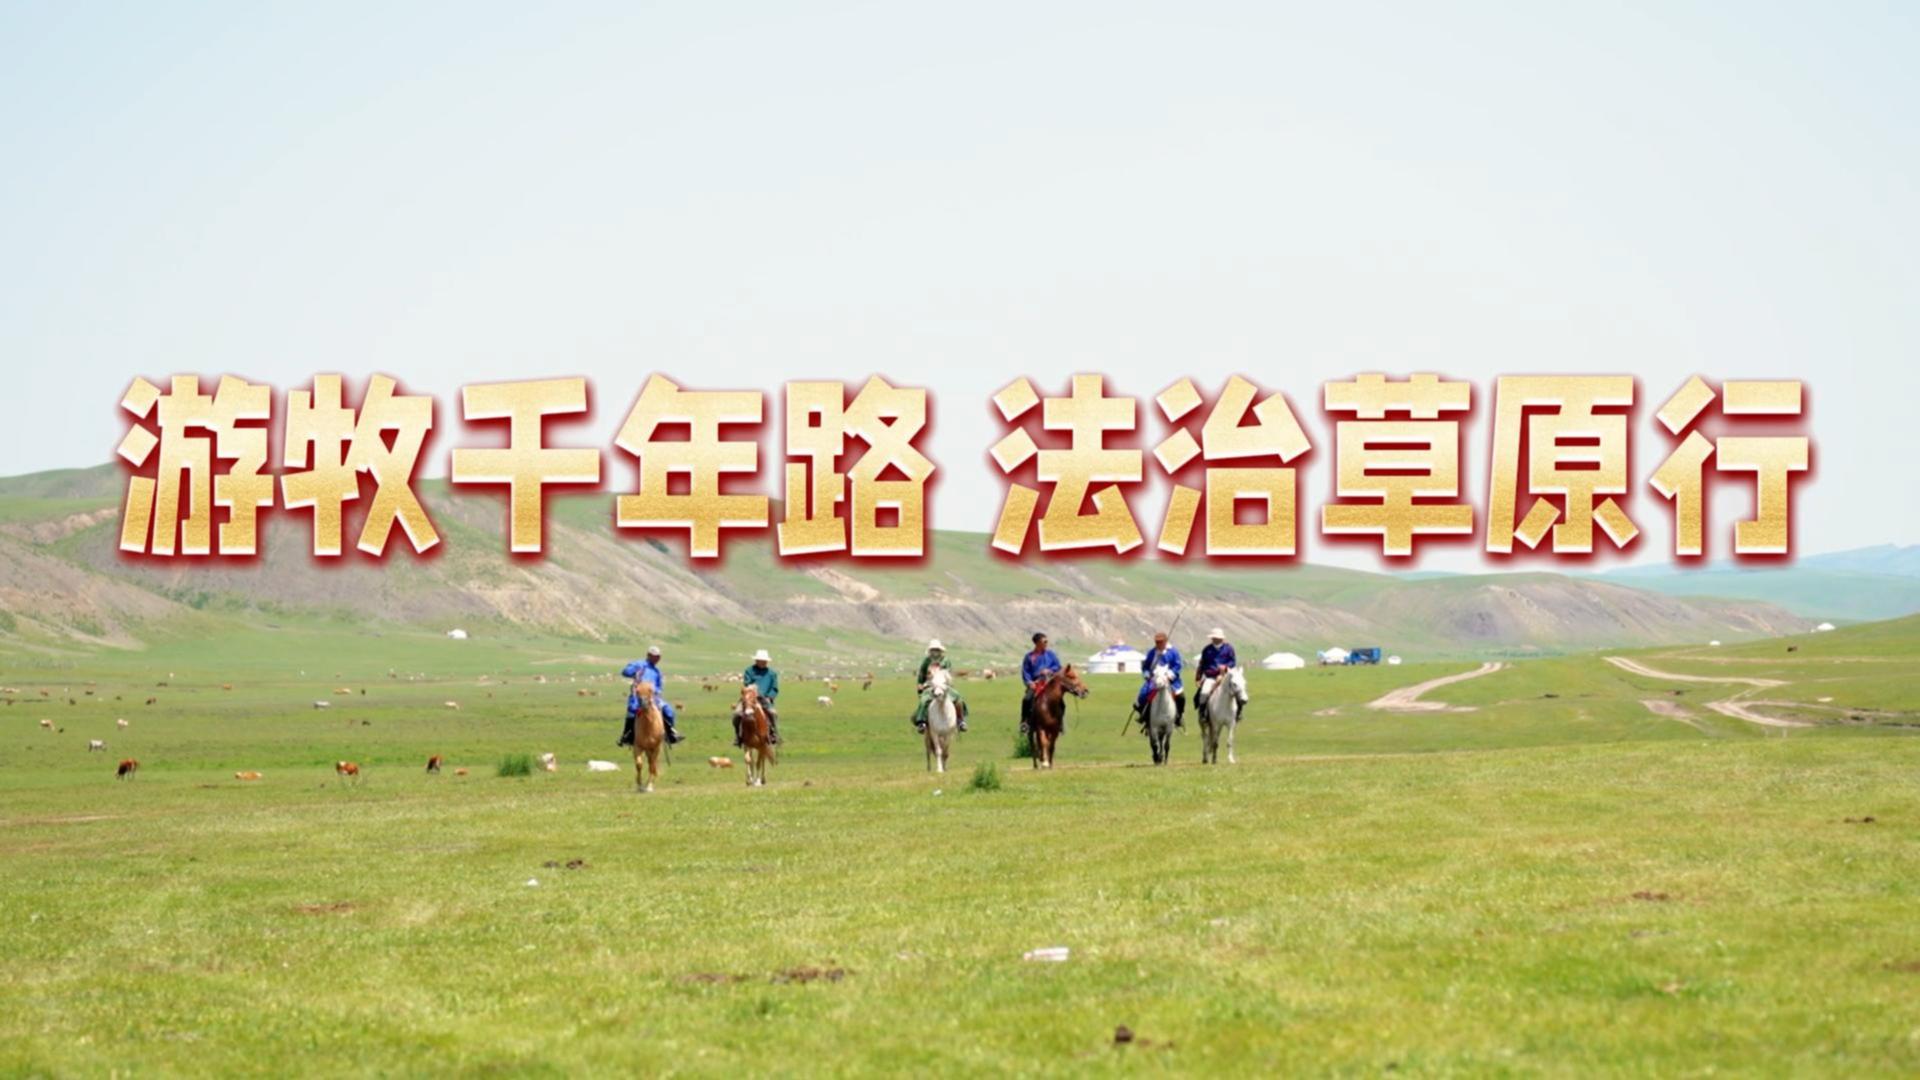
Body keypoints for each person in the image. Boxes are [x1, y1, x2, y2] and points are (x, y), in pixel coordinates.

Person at [619, 646, 683, 746]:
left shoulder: (657, 671)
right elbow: (625, 672)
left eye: (658, 656)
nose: (657, 658)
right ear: (648, 655)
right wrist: (633, 670)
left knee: (669, 711)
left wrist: (656, 692)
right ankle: (627, 736)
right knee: (631, 712)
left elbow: (659, 687)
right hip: (638, 697)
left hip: (653, 698)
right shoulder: (639, 664)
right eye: (655, 656)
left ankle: (670, 734)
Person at [912, 640, 968, 733]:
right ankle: (921, 722)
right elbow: (921, 675)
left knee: (958, 698)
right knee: (924, 700)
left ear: (940, 650)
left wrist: (946, 684)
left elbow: (948, 674)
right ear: (930, 651)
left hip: (944, 686)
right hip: (930, 686)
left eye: (937, 650)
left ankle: (960, 721)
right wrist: (920, 684)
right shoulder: (926, 661)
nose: (935, 652)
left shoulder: (946, 661)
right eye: (933, 650)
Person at [1134, 631, 1185, 729]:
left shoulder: (1173, 652)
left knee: (1181, 697)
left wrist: (1169, 675)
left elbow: (1178, 666)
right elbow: (1146, 667)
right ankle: (1144, 716)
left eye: (1160, 642)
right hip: (1154, 680)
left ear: (1165, 641)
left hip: (1171, 680)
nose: (1158, 644)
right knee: (1142, 695)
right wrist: (1146, 674)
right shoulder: (1152, 652)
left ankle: (1178, 716)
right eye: (1156, 642)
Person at [1195, 627, 1247, 720]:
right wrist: (1198, 678)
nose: (1216, 639)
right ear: (1212, 638)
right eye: (1214, 638)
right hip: (1211, 677)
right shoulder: (1207, 650)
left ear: (1222, 638)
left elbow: (1232, 662)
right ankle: (1202, 714)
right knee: (1204, 692)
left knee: (1237, 690)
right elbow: (1202, 664)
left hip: (1226, 676)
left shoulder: (1229, 648)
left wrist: (1225, 667)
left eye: (1218, 638)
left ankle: (1238, 712)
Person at [1020, 631, 1063, 734]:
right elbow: (1025, 671)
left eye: (1047, 641)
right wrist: (1029, 682)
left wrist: (1049, 670)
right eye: (1045, 641)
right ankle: (1025, 722)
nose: (1047, 643)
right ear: (1037, 643)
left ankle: (1060, 724)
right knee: (1027, 699)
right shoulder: (1029, 657)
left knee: (1061, 702)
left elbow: (1058, 666)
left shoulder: (1051, 654)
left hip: (1049, 682)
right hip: (1035, 683)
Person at [738, 648, 781, 746]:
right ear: (756, 660)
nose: (763, 662)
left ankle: (773, 734)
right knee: (737, 714)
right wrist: (752, 691)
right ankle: (738, 736)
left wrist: (770, 697)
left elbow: (774, 688)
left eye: (765, 661)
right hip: (750, 698)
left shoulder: (772, 673)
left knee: (773, 713)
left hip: (765, 698)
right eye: (761, 660)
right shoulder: (749, 671)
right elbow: (747, 683)